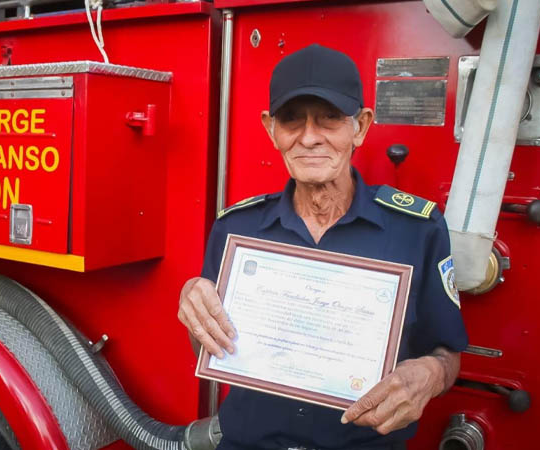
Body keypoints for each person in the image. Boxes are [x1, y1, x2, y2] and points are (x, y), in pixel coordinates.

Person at [177, 44, 468, 450]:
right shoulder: (237, 228)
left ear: (361, 127)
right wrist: (194, 310)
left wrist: (431, 375)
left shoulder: (417, 230)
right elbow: (211, 346)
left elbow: (447, 351)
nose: (309, 137)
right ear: (271, 129)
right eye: (291, 119)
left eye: (330, 117)